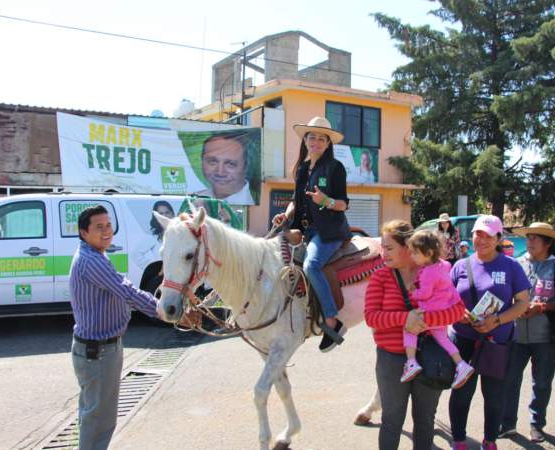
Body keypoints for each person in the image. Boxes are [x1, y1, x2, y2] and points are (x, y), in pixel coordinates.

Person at [364, 220, 466, 450]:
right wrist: (405, 319)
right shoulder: (380, 277)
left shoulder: (435, 271)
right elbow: (371, 317)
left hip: (429, 357)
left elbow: (457, 309)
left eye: (389, 248)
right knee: (392, 420)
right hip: (391, 359)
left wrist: (424, 321)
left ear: (407, 247)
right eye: (382, 247)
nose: (383, 253)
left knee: (425, 420)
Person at [69, 205, 161, 450]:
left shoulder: (95, 254)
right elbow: (126, 290)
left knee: (96, 415)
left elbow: (121, 286)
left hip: (100, 350)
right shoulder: (91, 261)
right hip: (97, 353)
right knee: (98, 419)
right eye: (99, 227)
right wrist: (162, 310)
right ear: (83, 232)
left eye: (108, 225)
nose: (106, 231)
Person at [448, 215, 532, 450]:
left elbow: (523, 302)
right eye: (478, 234)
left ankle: (490, 441)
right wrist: (458, 313)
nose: (482, 240)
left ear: (498, 238)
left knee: (494, 395)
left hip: (498, 341)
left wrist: (497, 320)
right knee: (461, 393)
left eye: (488, 235)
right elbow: (445, 299)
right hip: (463, 341)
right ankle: (459, 441)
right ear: (472, 236)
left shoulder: (511, 266)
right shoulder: (460, 266)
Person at [272, 116, 351, 352]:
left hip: (330, 231)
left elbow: (343, 204)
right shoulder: (303, 169)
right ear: (305, 140)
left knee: (312, 265)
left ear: (328, 143)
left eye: (321, 138)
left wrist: (325, 200)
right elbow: (296, 201)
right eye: (312, 136)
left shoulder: (335, 168)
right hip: (306, 230)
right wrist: (284, 216)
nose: (316, 141)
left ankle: (331, 320)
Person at [501, 222, 555, 443]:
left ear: (548, 243)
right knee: (509, 380)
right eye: (529, 237)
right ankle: (507, 424)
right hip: (515, 335)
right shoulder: (516, 264)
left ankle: (536, 424)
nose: (530, 241)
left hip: (545, 337)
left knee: (541, 382)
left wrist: (542, 307)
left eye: (535, 238)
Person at [400, 230, 475, 388]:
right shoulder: (443, 264)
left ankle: (411, 362)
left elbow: (425, 294)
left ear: (427, 253)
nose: (411, 256)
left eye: (414, 253)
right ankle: (461, 364)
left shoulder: (428, 271)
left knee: (409, 329)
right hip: (443, 310)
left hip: (430, 310)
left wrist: (412, 291)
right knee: (443, 339)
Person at [194, 131, 254, 204]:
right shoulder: (195, 199)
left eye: (230, 164)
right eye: (213, 162)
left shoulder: (255, 203)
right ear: (202, 161)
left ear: (245, 167)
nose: (220, 172)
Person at [130, 200, 175, 270]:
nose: (164, 216)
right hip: (164, 276)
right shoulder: (154, 235)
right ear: (156, 216)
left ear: (172, 214)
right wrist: (153, 268)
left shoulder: (180, 232)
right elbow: (136, 254)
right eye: (161, 213)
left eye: (167, 212)